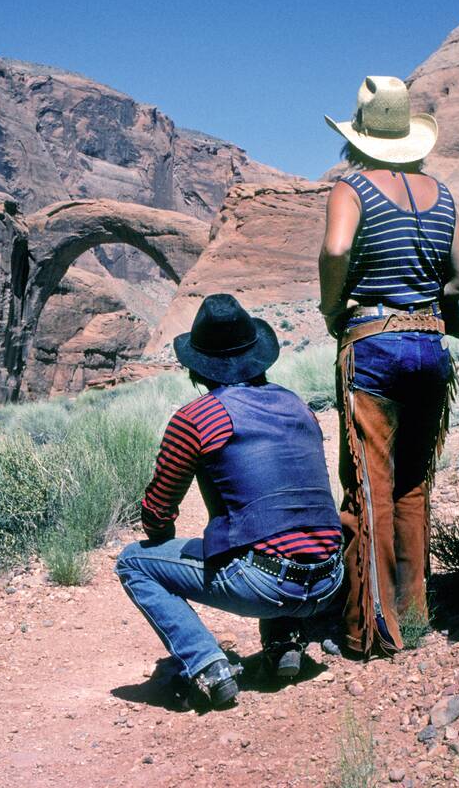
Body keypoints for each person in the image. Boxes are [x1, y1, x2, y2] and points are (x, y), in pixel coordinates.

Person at [115, 294, 344, 710]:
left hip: (265, 583)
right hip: (329, 578)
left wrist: (162, 540)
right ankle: (284, 644)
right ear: (258, 354)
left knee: (133, 562)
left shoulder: (198, 417)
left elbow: (158, 510)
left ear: (197, 365)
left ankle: (207, 665)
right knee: (279, 524)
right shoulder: (297, 405)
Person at [319, 76, 459, 657]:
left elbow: (336, 251)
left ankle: (367, 632)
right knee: (413, 485)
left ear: (358, 136)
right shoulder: (443, 194)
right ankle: (413, 616)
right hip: (431, 346)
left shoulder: (350, 188)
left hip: (373, 346)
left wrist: (335, 304)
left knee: (367, 487)